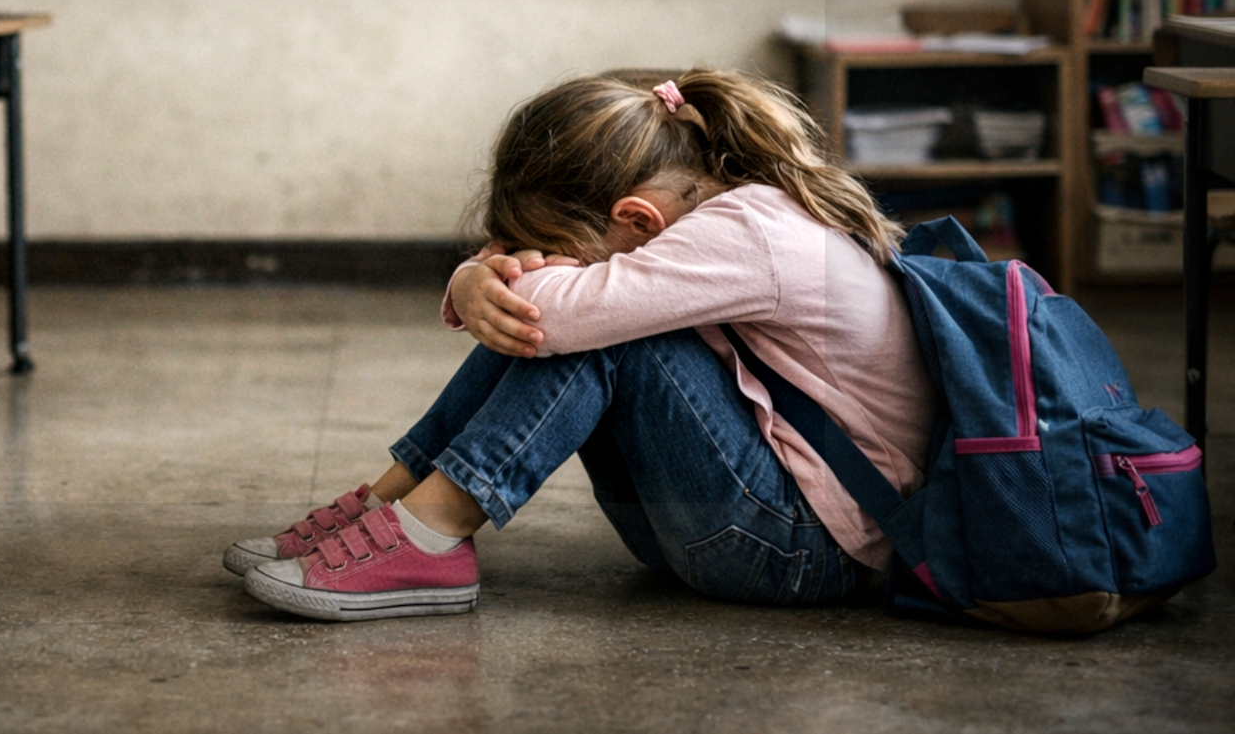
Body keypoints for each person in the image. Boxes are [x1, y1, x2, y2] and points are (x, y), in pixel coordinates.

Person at [227, 70, 937, 621]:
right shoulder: (733, 203)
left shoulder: (747, 232)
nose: (534, 259)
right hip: (739, 528)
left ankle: (432, 532)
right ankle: (396, 503)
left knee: (597, 332)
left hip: (798, 552)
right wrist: (487, 272)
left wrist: (476, 277)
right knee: (584, 313)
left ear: (635, 216)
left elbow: (559, 316)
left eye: (550, 248)